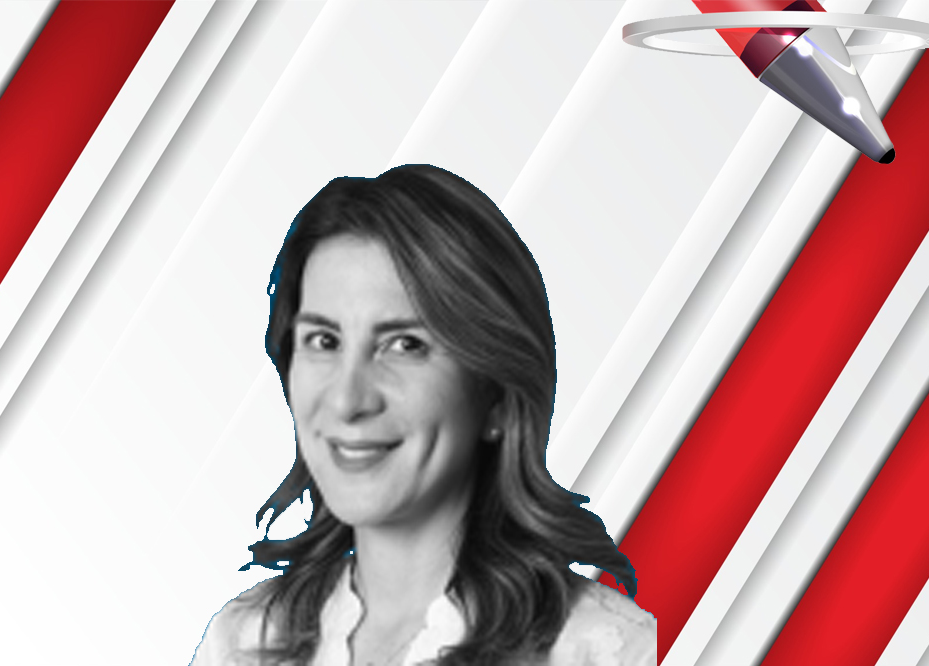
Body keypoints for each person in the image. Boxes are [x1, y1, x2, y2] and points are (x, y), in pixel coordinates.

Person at [191, 165, 656, 666]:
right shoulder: (243, 643)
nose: (347, 400)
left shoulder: (611, 651)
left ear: (496, 394)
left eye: (405, 345)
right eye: (324, 341)